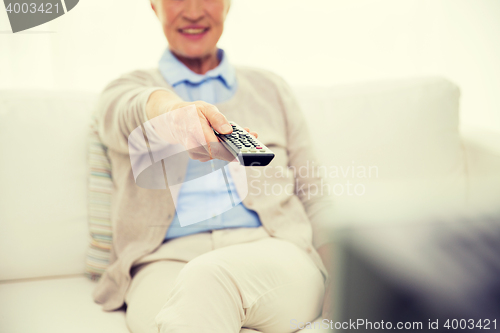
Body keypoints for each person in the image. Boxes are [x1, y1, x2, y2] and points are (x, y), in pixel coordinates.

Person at [92, 0, 335, 332]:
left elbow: (314, 194)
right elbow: (128, 111)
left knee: (206, 277)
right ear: (153, 5)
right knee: (197, 287)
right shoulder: (125, 88)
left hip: (273, 251)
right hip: (165, 262)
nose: (193, 11)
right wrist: (175, 116)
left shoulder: (271, 89)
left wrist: (342, 276)